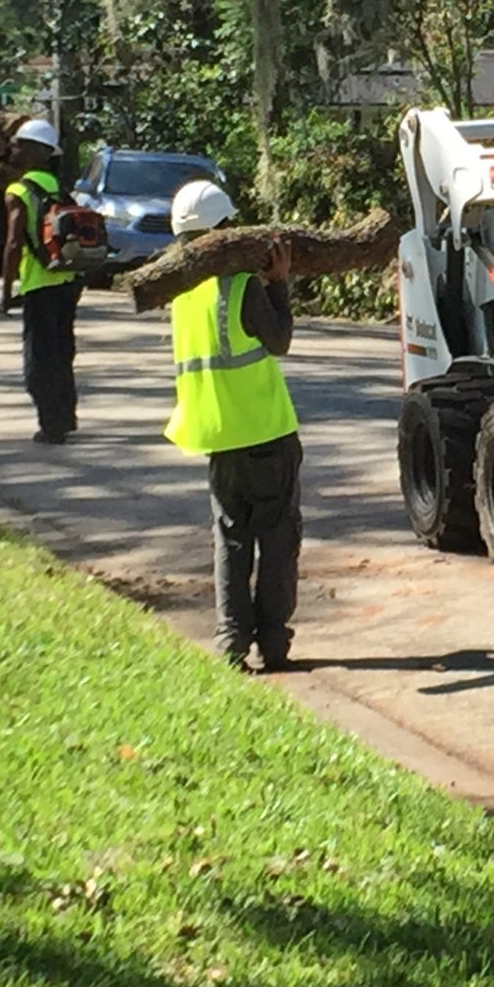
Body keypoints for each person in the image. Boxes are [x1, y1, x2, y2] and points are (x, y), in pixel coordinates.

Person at [164, 179, 302, 673]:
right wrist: (278, 282)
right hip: (266, 431)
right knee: (278, 540)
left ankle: (230, 643)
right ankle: (274, 643)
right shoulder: (241, 286)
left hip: (218, 439)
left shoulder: (180, 295)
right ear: (224, 230)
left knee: (231, 540)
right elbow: (280, 340)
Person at [0, 118, 82, 444]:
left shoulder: (19, 191)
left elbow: (13, 243)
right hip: (68, 282)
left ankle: (52, 426)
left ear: (35, 151)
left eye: (19, 144)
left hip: (39, 284)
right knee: (62, 352)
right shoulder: (60, 189)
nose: (13, 149)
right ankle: (66, 416)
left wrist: (6, 291)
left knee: (39, 358)